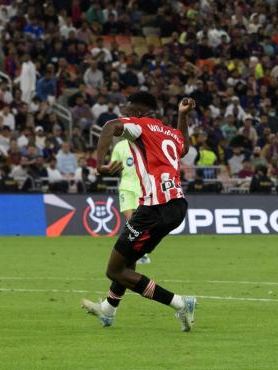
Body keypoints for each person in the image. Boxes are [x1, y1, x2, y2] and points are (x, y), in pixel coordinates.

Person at [81, 93, 196, 332]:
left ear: (142, 109)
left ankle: (180, 303)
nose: (126, 111)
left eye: (129, 107)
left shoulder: (141, 125)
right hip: (176, 206)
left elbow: (109, 126)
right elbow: (183, 147)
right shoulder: (170, 132)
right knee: (128, 259)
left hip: (154, 207)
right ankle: (109, 311)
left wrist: (99, 165)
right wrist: (182, 116)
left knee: (114, 270)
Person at [108, 139, 151, 264]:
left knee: (139, 222)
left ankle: (141, 252)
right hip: (125, 187)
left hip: (142, 187)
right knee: (130, 219)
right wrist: (108, 168)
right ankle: (133, 252)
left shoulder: (145, 144)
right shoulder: (120, 146)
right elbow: (113, 165)